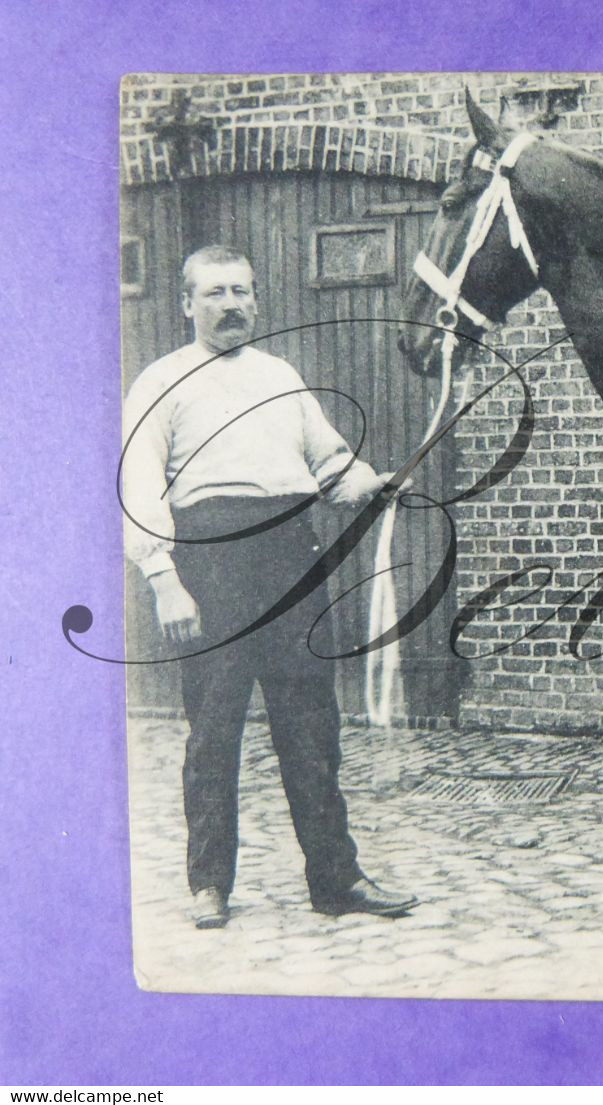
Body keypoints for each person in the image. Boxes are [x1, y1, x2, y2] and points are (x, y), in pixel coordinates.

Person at [123, 244, 418, 930]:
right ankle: (209, 883)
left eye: (241, 292)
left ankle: (335, 878)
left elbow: (330, 462)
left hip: (291, 555)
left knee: (311, 728)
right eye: (215, 292)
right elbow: (139, 490)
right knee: (213, 729)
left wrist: (369, 481)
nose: (230, 305)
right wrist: (165, 579)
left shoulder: (280, 375)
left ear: (257, 300)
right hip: (211, 561)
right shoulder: (160, 382)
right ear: (186, 303)